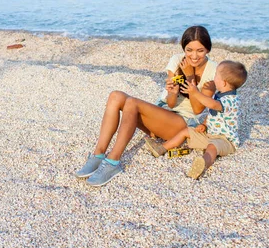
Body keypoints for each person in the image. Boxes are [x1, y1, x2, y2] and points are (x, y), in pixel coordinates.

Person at [74, 25, 217, 186]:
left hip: (182, 124)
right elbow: (170, 103)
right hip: (162, 114)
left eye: (200, 50)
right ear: (184, 47)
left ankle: (113, 161)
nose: (194, 56)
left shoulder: (212, 71)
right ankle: (98, 154)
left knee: (132, 103)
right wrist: (172, 91)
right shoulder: (177, 61)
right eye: (189, 50)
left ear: (208, 49)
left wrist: (190, 76)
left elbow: (198, 109)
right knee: (115, 96)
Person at [144, 61, 247, 179]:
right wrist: (204, 124)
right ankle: (162, 148)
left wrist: (195, 93)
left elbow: (212, 105)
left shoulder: (231, 100)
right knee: (186, 131)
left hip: (225, 140)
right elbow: (212, 114)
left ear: (223, 83)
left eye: (216, 76)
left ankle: (203, 164)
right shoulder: (220, 94)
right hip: (209, 134)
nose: (214, 78)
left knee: (212, 147)